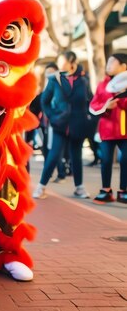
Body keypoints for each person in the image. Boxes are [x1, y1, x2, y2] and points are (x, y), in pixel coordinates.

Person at [34, 51, 93, 199]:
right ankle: (41, 187)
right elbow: (44, 100)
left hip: (78, 124)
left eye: (62, 60)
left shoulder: (83, 80)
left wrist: (89, 118)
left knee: (76, 156)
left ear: (72, 62)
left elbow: (89, 100)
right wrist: (52, 115)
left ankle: (79, 188)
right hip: (59, 124)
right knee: (53, 156)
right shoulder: (55, 80)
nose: (60, 63)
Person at [89, 53, 127, 204]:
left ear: (123, 66)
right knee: (105, 160)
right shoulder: (102, 84)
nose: (108, 65)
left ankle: (123, 190)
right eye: (108, 62)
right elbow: (93, 104)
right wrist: (106, 106)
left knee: (125, 159)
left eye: (113, 62)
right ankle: (106, 191)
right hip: (106, 129)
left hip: (124, 129)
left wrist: (121, 97)